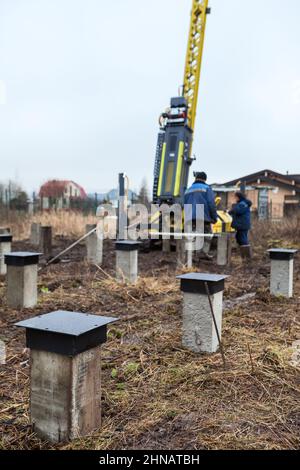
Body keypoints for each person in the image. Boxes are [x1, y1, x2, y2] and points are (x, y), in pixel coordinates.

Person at [184, 172, 218, 258]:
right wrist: (214, 218)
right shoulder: (207, 188)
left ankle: (191, 256)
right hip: (203, 217)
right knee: (207, 235)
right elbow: (211, 204)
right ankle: (202, 253)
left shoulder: (188, 190)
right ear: (205, 179)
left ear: (196, 178)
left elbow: (184, 204)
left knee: (193, 236)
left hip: (190, 218)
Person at [229, 191, 252, 258]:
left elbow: (238, 211)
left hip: (242, 224)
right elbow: (236, 210)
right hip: (242, 224)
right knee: (239, 238)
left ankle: (247, 256)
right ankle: (243, 254)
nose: (234, 198)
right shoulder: (243, 203)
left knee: (242, 239)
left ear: (238, 197)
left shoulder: (242, 204)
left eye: (235, 197)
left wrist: (232, 209)